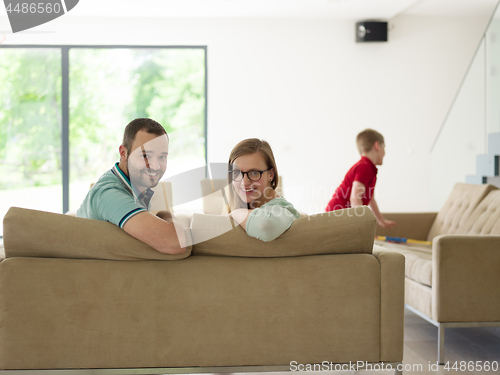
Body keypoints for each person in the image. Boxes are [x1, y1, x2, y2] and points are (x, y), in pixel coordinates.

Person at [77, 118, 187, 254]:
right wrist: (166, 215)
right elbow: (176, 243)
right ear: (123, 153)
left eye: (162, 157)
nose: (156, 166)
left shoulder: (136, 189)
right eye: (146, 155)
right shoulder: (109, 194)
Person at [226, 138, 300, 241]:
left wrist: (236, 213)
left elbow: (265, 227)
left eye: (254, 173)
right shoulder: (243, 206)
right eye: (236, 173)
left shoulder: (284, 210)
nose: (244, 182)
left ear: (271, 174)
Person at [325, 129, 396, 229]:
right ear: (377, 146)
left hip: (340, 215)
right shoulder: (365, 167)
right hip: (337, 215)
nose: (385, 152)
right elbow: (355, 198)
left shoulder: (369, 168)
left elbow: (370, 199)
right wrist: (362, 225)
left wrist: (381, 220)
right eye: (384, 147)